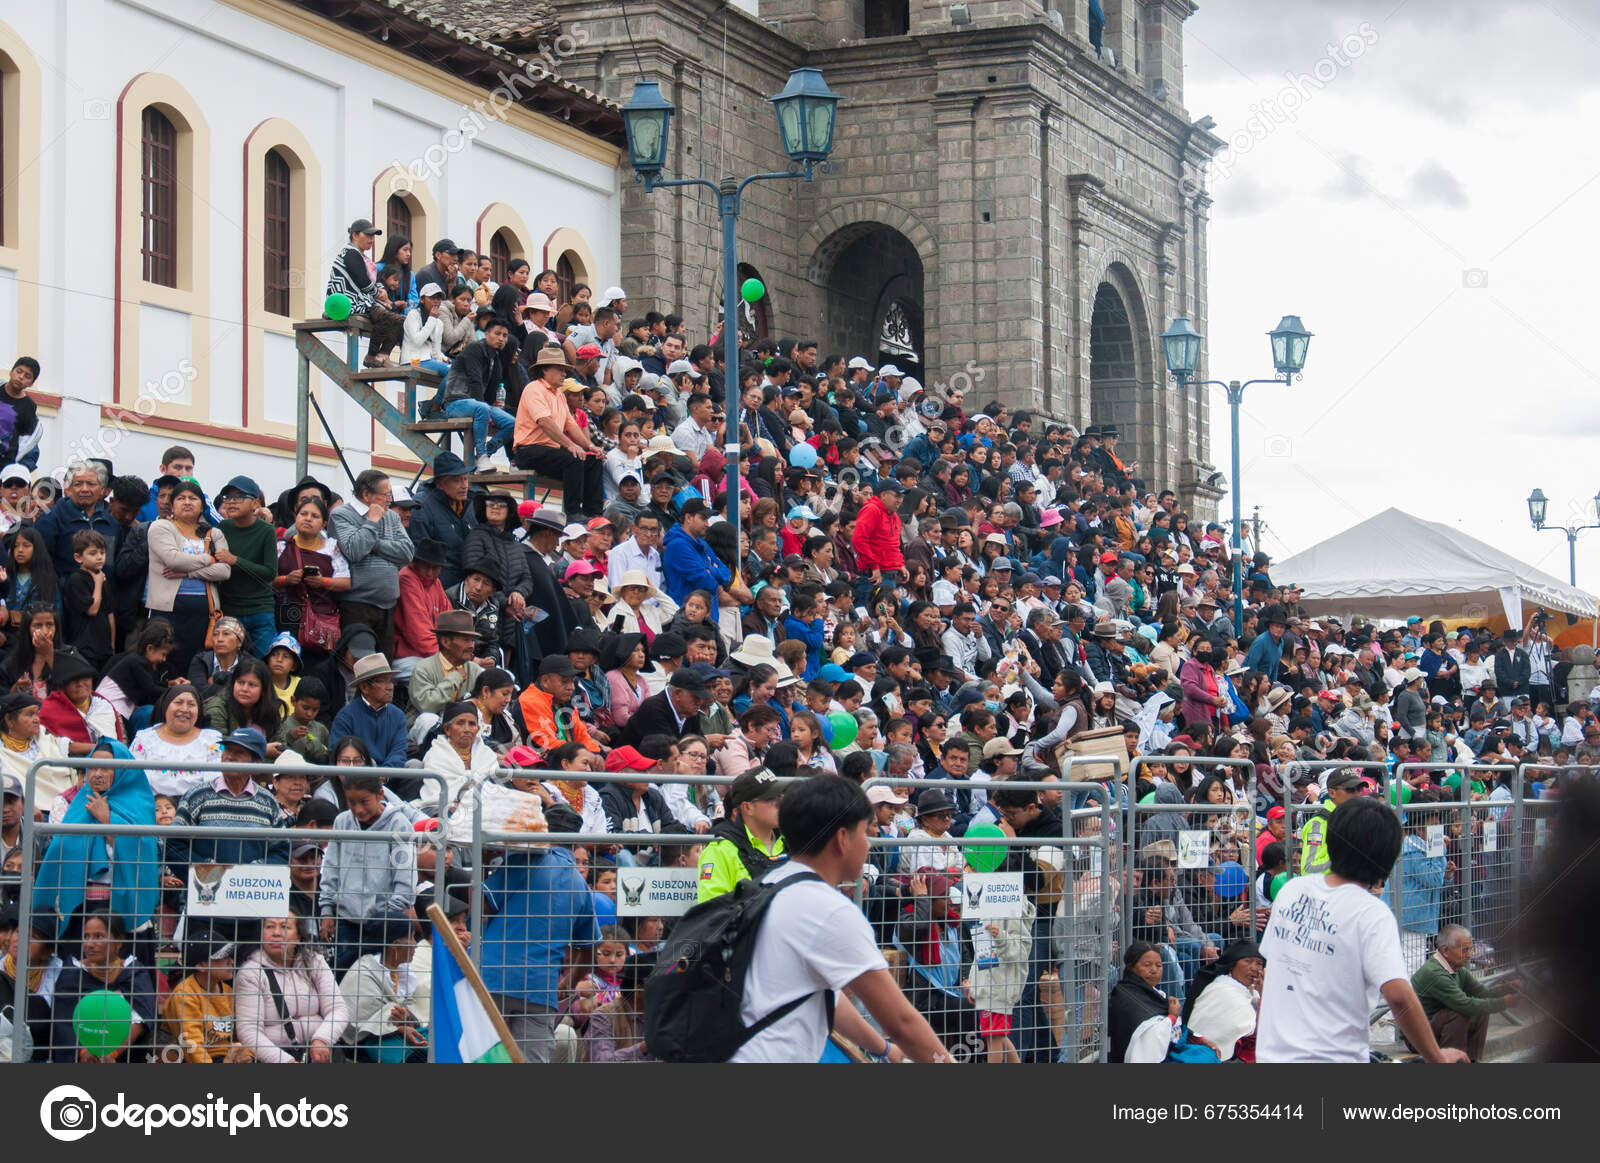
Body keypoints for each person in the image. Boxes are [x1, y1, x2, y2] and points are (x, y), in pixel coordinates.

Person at [724, 774, 954, 1063]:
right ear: (842, 839)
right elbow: (901, 1021)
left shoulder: (771, 884)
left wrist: (884, 1049)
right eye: (863, 833)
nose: (869, 845)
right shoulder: (828, 908)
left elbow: (826, 999)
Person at [1257, 796, 1469, 1063]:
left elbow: (1272, 969)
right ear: (1387, 859)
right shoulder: (1371, 913)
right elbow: (1399, 996)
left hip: (1271, 1056)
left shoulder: (1291, 891)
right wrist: (1437, 1058)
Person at [480, 815, 601, 1063]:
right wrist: (568, 983)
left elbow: (481, 905)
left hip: (491, 977)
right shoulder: (580, 884)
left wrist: (483, 864)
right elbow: (589, 949)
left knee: (480, 1055)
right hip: (539, 987)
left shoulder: (523, 861)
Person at [235, 910, 349, 1063]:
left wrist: (322, 1039)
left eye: (285, 927)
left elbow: (338, 1009)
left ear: (299, 936)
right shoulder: (251, 973)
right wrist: (284, 1061)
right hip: (276, 1056)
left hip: (320, 1051)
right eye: (269, 927)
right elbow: (248, 1032)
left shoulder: (315, 961)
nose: (276, 933)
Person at [145, 478, 231, 679]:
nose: (187, 502)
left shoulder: (214, 533)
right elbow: (173, 560)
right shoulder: (161, 528)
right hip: (167, 610)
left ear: (202, 505)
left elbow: (224, 571)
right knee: (165, 664)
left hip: (204, 612)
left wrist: (188, 572)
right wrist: (208, 559)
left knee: (198, 666)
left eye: (193, 498)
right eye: (181, 498)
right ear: (172, 505)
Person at [48, 910, 159, 1062]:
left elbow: (141, 1018)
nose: (90, 944)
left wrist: (112, 1052)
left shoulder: (133, 972)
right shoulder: (73, 974)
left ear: (119, 942)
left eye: (98, 936)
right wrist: (84, 1052)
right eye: (86, 936)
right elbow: (64, 1023)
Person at [329, 469, 414, 658]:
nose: (390, 499)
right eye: (386, 494)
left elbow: (407, 552)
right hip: (357, 604)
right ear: (367, 494)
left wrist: (373, 544)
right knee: (358, 663)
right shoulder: (341, 515)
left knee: (383, 665)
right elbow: (355, 550)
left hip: (387, 604)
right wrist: (372, 521)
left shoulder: (391, 516)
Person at [514, 346, 605, 517]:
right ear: (545, 369)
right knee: (573, 458)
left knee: (593, 461)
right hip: (529, 449)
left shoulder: (560, 395)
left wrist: (589, 446)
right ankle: (573, 512)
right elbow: (545, 422)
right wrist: (571, 445)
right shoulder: (534, 389)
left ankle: (594, 513)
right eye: (560, 369)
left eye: (565, 370)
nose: (564, 373)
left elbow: (571, 425)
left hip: (550, 452)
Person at [1409, 924, 1519, 1062]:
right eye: (1465, 950)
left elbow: (1482, 993)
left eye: (1471, 949)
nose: (1470, 955)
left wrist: (1508, 988)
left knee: (1481, 1009)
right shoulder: (1435, 973)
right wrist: (1504, 1002)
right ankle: (1455, 1062)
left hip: (1435, 1028)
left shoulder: (1457, 967)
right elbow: (1465, 1005)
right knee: (1460, 1012)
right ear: (1446, 951)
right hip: (1418, 1038)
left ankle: (1473, 1060)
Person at [210, 476, 280, 657]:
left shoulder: (266, 530)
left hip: (260, 610)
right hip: (230, 608)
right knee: (228, 664)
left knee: (263, 664)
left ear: (255, 503)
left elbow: (269, 572)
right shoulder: (222, 527)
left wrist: (235, 560)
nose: (231, 502)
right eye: (228, 497)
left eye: (239, 497)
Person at [697, 767, 787, 902]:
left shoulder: (792, 840)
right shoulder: (719, 850)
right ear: (747, 807)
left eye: (781, 796)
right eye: (772, 798)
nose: (781, 803)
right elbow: (712, 911)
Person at [326, 217, 403, 368]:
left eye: (373, 236)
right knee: (393, 319)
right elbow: (362, 281)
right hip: (351, 302)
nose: (371, 239)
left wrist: (380, 292)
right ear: (355, 235)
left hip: (364, 302)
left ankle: (382, 355)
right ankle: (372, 355)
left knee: (401, 321)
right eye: (367, 235)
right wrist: (379, 293)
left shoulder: (361, 256)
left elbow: (369, 283)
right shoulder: (350, 253)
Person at [1183, 938, 1264, 1061]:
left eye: (1259, 963)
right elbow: (1251, 1034)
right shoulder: (1221, 990)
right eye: (1248, 961)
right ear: (1232, 965)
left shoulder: (1251, 992)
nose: (1254, 968)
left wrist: (1263, 994)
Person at [329, 654, 407, 770]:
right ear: (364, 687)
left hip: (390, 776)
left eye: (390, 681)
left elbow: (399, 751)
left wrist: (385, 774)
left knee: (415, 766)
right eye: (383, 681)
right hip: (357, 777)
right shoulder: (346, 716)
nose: (390, 687)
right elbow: (337, 754)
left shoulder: (398, 715)